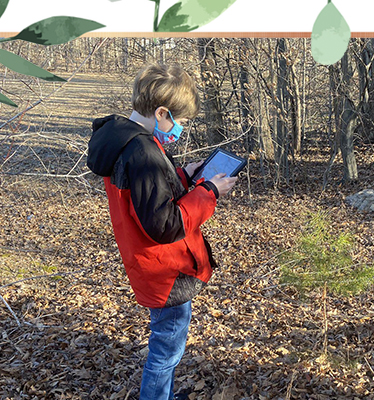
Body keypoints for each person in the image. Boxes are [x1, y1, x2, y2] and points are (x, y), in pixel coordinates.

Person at [86, 63, 237, 400]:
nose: (180, 129)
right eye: (180, 122)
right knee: (165, 353)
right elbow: (165, 224)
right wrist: (208, 191)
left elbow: (148, 198)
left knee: (166, 348)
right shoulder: (143, 153)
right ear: (161, 112)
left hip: (152, 266)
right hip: (165, 271)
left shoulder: (126, 142)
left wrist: (184, 175)